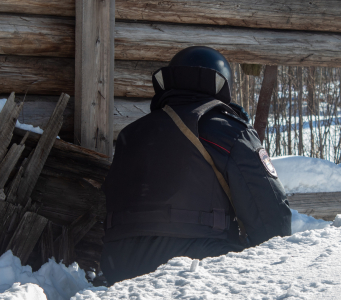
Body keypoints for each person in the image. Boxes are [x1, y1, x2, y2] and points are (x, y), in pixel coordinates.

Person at [100, 46, 291, 285]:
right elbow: (271, 214)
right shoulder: (230, 131)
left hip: (118, 267)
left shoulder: (131, 134)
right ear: (223, 86)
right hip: (197, 266)